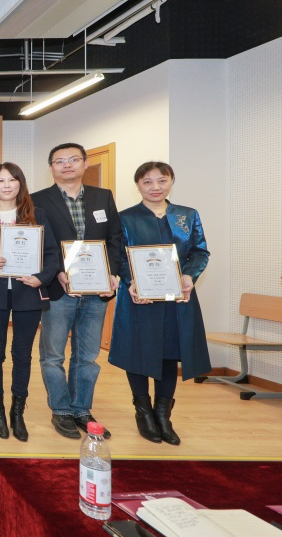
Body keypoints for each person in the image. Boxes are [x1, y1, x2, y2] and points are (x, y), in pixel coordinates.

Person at [110, 162, 210, 446]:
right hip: (138, 297)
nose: (155, 187)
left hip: (177, 297)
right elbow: (118, 256)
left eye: (162, 180)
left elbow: (200, 252)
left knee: (169, 352)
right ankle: (143, 412)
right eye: (147, 182)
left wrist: (189, 275)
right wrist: (131, 281)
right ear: (138, 185)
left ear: (171, 182)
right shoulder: (125, 218)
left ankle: (163, 414)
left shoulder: (188, 215)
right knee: (138, 351)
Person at [31, 143, 121, 440]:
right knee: (53, 355)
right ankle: (61, 409)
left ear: (84, 164)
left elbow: (115, 239)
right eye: (59, 161)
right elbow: (37, 244)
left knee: (88, 356)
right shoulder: (37, 200)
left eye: (73, 159)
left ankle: (82, 409)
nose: (67, 165)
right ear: (51, 168)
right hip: (59, 290)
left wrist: (113, 273)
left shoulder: (102, 197)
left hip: (96, 291)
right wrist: (56, 271)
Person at [0, 163, 60, 442]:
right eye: (1, 181)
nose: (7, 185)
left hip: (28, 292)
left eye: (12, 180)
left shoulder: (37, 215)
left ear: (20, 183)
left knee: (22, 354)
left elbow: (52, 254)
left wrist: (41, 278)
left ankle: (17, 412)